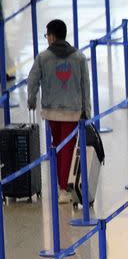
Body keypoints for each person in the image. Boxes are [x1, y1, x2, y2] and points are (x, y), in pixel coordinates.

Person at [26, 19, 91, 203]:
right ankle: (63, 188)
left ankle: (61, 186)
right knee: (67, 148)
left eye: (47, 35)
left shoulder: (43, 58)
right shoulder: (78, 57)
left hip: (51, 112)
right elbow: (85, 85)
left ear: (52, 36)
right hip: (73, 112)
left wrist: (31, 100)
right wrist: (86, 111)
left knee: (56, 146)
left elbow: (32, 80)